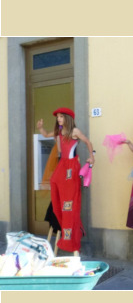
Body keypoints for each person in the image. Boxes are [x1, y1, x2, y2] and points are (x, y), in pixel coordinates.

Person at [36, 107, 95, 253]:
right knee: (55, 188)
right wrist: (40, 128)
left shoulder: (75, 131)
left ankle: (72, 236)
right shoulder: (59, 131)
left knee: (69, 201)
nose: (58, 119)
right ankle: (65, 228)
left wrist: (92, 157)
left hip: (71, 166)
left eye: (61, 116)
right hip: (62, 164)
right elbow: (46, 134)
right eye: (57, 117)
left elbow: (87, 142)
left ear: (67, 118)